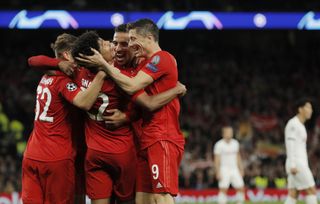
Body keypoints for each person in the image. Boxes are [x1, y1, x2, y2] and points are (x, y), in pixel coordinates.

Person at [77, 19, 185, 204]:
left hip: (161, 136)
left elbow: (139, 93)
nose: (120, 47)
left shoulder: (158, 60)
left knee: (161, 195)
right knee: (143, 200)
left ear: (149, 37)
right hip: (144, 140)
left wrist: (104, 65)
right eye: (115, 43)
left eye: (130, 41)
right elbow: (145, 101)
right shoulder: (130, 70)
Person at [22, 33, 107, 204]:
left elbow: (33, 61)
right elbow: (84, 102)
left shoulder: (46, 75)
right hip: (58, 155)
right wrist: (103, 73)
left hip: (32, 153)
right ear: (68, 55)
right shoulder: (63, 79)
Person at [284, 98, 317, 204]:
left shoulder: (300, 125)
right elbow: (290, 145)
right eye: (308, 107)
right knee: (311, 190)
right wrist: (293, 164)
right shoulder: (293, 124)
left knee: (293, 194)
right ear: (300, 109)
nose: (311, 110)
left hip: (298, 163)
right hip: (297, 164)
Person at [214, 125, 245, 204]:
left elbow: (238, 156)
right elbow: (216, 160)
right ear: (223, 134)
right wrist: (217, 172)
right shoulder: (219, 145)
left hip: (234, 169)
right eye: (228, 132)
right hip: (224, 169)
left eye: (231, 132)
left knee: (241, 187)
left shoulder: (235, 143)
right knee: (223, 188)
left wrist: (241, 169)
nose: (230, 134)